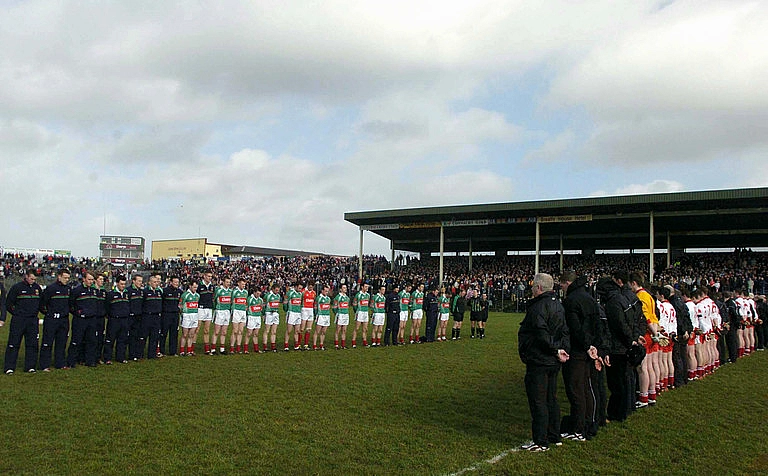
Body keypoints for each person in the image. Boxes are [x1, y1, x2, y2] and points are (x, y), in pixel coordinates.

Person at [518, 273, 570, 452]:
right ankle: (554, 435)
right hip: (553, 360)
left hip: (540, 359)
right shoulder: (558, 305)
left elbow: (540, 333)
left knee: (538, 400)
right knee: (551, 398)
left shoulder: (537, 307)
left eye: (533, 286)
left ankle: (540, 440)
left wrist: (555, 349)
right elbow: (564, 331)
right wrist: (562, 349)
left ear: (539, 288)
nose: (531, 289)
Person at [560, 272, 600, 441]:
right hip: (589, 348)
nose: (561, 288)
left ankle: (578, 428)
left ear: (568, 282)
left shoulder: (572, 301)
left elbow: (575, 328)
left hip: (577, 350)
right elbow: (596, 324)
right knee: (586, 387)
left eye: (561, 284)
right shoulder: (589, 297)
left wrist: (585, 345)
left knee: (576, 389)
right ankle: (589, 423)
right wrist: (593, 346)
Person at [596, 277, 638, 423]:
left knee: (616, 383)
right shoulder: (623, 299)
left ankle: (616, 413)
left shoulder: (613, 303)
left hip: (617, 347)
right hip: (624, 344)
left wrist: (628, 339)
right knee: (624, 380)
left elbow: (618, 324)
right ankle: (626, 408)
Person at [3, 269, 43, 374]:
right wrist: (17, 313)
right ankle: (9, 367)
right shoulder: (17, 288)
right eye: (31, 278)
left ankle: (30, 367)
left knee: (32, 344)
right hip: (19, 320)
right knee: (14, 343)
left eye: (35, 279)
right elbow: (9, 304)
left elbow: (41, 303)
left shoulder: (37, 288)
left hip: (33, 320)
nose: (33, 281)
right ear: (26, 276)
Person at [39, 268, 72, 371]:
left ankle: (60, 363)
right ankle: (44, 365)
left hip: (64, 320)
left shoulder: (68, 289)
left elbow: (70, 304)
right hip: (52, 320)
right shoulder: (51, 289)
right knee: (47, 342)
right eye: (65, 277)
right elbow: (42, 304)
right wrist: (49, 314)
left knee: (61, 342)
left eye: (68, 278)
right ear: (59, 277)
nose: (67, 280)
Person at [67, 271, 98, 368]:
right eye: (89, 279)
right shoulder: (77, 290)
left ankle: (89, 361)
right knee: (76, 341)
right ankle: (71, 361)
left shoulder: (94, 290)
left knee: (91, 341)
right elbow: (71, 305)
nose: (91, 281)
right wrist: (78, 313)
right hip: (80, 320)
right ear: (84, 279)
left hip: (92, 320)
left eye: (92, 280)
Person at [103, 275, 131, 364]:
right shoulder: (111, 294)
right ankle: (107, 358)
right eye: (121, 284)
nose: (123, 286)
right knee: (110, 340)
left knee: (122, 340)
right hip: (114, 320)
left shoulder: (127, 294)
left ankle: (120, 357)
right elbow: (107, 307)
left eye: (124, 284)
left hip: (124, 320)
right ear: (117, 283)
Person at [143, 273, 164, 359]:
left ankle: (152, 354)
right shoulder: (145, 292)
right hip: (147, 316)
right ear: (149, 283)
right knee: (143, 336)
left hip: (156, 317)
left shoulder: (159, 292)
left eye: (157, 282)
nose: (156, 283)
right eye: (154, 282)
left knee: (154, 336)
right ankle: (140, 354)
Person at [160, 276, 182, 356]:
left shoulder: (180, 292)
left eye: (178, 282)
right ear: (171, 282)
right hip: (166, 315)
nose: (177, 284)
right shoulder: (165, 291)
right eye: (175, 282)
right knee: (163, 333)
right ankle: (161, 351)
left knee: (174, 334)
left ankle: (173, 351)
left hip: (175, 315)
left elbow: (181, 304)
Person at [212, 277, 233, 355]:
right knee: (216, 331)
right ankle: (213, 349)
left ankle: (222, 349)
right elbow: (214, 300)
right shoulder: (219, 290)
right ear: (223, 282)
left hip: (227, 312)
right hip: (220, 311)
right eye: (227, 282)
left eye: (229, 282)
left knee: (224, 332)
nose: (228, 284)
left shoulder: (231, 291)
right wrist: (216, 308)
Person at [179, 280, 200, 356]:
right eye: (194, 287)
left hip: (195, 315)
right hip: (186, 315)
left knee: (191, 334)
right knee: (184, 334)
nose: (195, 289)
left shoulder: (197, 295)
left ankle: (189, 350)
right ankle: (182, 351)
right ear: (190, 286)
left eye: (196, 287)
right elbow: (181, 305)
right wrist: (182, 314)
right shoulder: (185, 295)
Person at [197, 271, 215, 355]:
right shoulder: (199, 285)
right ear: (204, 276)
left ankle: (207, 349)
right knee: (196, 330)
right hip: (200, 309)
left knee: (207, 330)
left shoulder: (212, 286)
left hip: (209, 309)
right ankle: (191, 349)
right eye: (208, 276)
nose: (209, 278)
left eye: (211, 276)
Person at [127, 274, 144, 361]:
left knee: (138, 336)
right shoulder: (129, 290)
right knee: (131, 336)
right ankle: (131, 354)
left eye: (141, 281)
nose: (140, 283)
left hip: (139, 317)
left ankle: (137, 354)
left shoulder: (141, 291)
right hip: (131, 317)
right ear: (133, 281)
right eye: (139, 281)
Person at [230, 278, 248, 354]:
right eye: (242, 284)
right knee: (235, 331)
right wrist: (232, 312)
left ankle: (238, 347)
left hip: (243, 312)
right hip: (236, 312)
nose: (244, 286)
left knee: (241, 331)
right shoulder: (234, 292)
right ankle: (231, 348)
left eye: (244, 284)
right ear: (238, 283)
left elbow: (245, 302)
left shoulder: (246, 292)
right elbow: (232, 302)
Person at [263, 284, 281, 352]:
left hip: (275, 313)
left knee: (274, 331)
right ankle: (265, 346)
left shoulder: (278, 296)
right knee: (267, 330)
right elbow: (263, 305)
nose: (277, 291)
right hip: (269, 313)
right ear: (272, 289)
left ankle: (273, 346)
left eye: (278, 290)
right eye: (276, 290)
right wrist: (264, 314)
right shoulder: (268, 295)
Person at [93, 274, 107, 364]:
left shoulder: (103, 292)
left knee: (100, 338)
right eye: (100, 279)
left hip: (101, 318)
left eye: (103, 279)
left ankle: (98, 357)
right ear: (95, 280)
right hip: (92, 318)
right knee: (91, 338)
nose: (102, 281)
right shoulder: (92, 290)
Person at [284, 283, 303, 351]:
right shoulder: (290, 293)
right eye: (299, 288)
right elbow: (285, 302)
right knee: (289, 330)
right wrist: (286, 309)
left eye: (301, 288)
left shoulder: (300, 294)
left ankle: (296, 346)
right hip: (291, 313)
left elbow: (301, 303)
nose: (300, 290)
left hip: (298, 313)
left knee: (297, 331)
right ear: (295, 287)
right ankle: (286, 346)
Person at [351, 282, 371, 348]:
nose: (367, 288)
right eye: (365, 286)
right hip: (360, 312)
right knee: (357, 328)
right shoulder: (358, 295)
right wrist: (356, 311)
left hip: (365, 312)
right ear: (362, 287)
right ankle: (353, 342)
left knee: (365, 328)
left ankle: (364, 342)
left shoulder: (368, 295)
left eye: (367, 287)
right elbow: (354, 304)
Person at [313, 284, 332, 350]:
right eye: (325, 291)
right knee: (317, 331)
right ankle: (314, 345)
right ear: (322, 291)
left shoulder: (328, 299)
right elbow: (315, 307)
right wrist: (316, 315)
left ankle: (321, 345)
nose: (327, 292)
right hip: (320, 316)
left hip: (327, 316)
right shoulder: (319, 298)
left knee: (324, 332)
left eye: (327, 291)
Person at [333, 283, 351, 349]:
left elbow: (347, 306)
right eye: (344, 288)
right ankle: (336, 345)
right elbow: (334, 307)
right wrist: (337, 314)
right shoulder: (338, 297)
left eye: (346, 288)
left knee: (344, 330)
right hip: (340, 315)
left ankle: (343, 345)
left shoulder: (347, 298)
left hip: (346, 314)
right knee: (338, 330)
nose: (345, 289)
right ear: (340, 289)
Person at [299, 282, 316, 350]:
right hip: (304, 309)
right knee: (302, 328)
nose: (311, 288)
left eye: (312, 287)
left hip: (311, 310)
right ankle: (299, 344)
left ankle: (306, 344)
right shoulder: (303, 292)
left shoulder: (314, 293)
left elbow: (314, 302)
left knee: (309, 329)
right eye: (310, 286)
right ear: (308, 286)